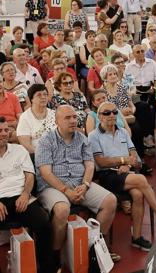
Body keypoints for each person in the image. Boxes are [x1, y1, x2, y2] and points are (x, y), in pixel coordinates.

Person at [35, 105, 119, 262]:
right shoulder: (46, 141)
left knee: (110, 201)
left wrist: (85, 185)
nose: (73, 120)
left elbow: (89, 165)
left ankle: (92, 248)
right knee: (62, 210)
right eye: (67, 118)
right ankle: (55, 254)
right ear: (57, 121)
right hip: (52, 186)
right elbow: (46, 173)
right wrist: (67, 191)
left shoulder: (82, 139)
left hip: (80, 182)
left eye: (74, 117)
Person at [90, 102, 156, 250]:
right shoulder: (94, 136)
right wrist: (123, 160)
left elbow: (133, 153)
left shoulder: (123, 132)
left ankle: (137, 237)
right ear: (99, 116)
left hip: (126, 171)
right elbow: (101, 161)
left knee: (138, 194)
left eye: (114, 112)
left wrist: (127, 164)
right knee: (140, 179)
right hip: (108, 174)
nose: (111, 115)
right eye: (107, 113)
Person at [0, 116, 57, 273]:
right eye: (0, 130)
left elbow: (30, 176)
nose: (4, 133)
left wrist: (26, 194)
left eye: (6, 130)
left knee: (44, 223)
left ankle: (46, 268)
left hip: (20, 196)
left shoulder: (19, 150)